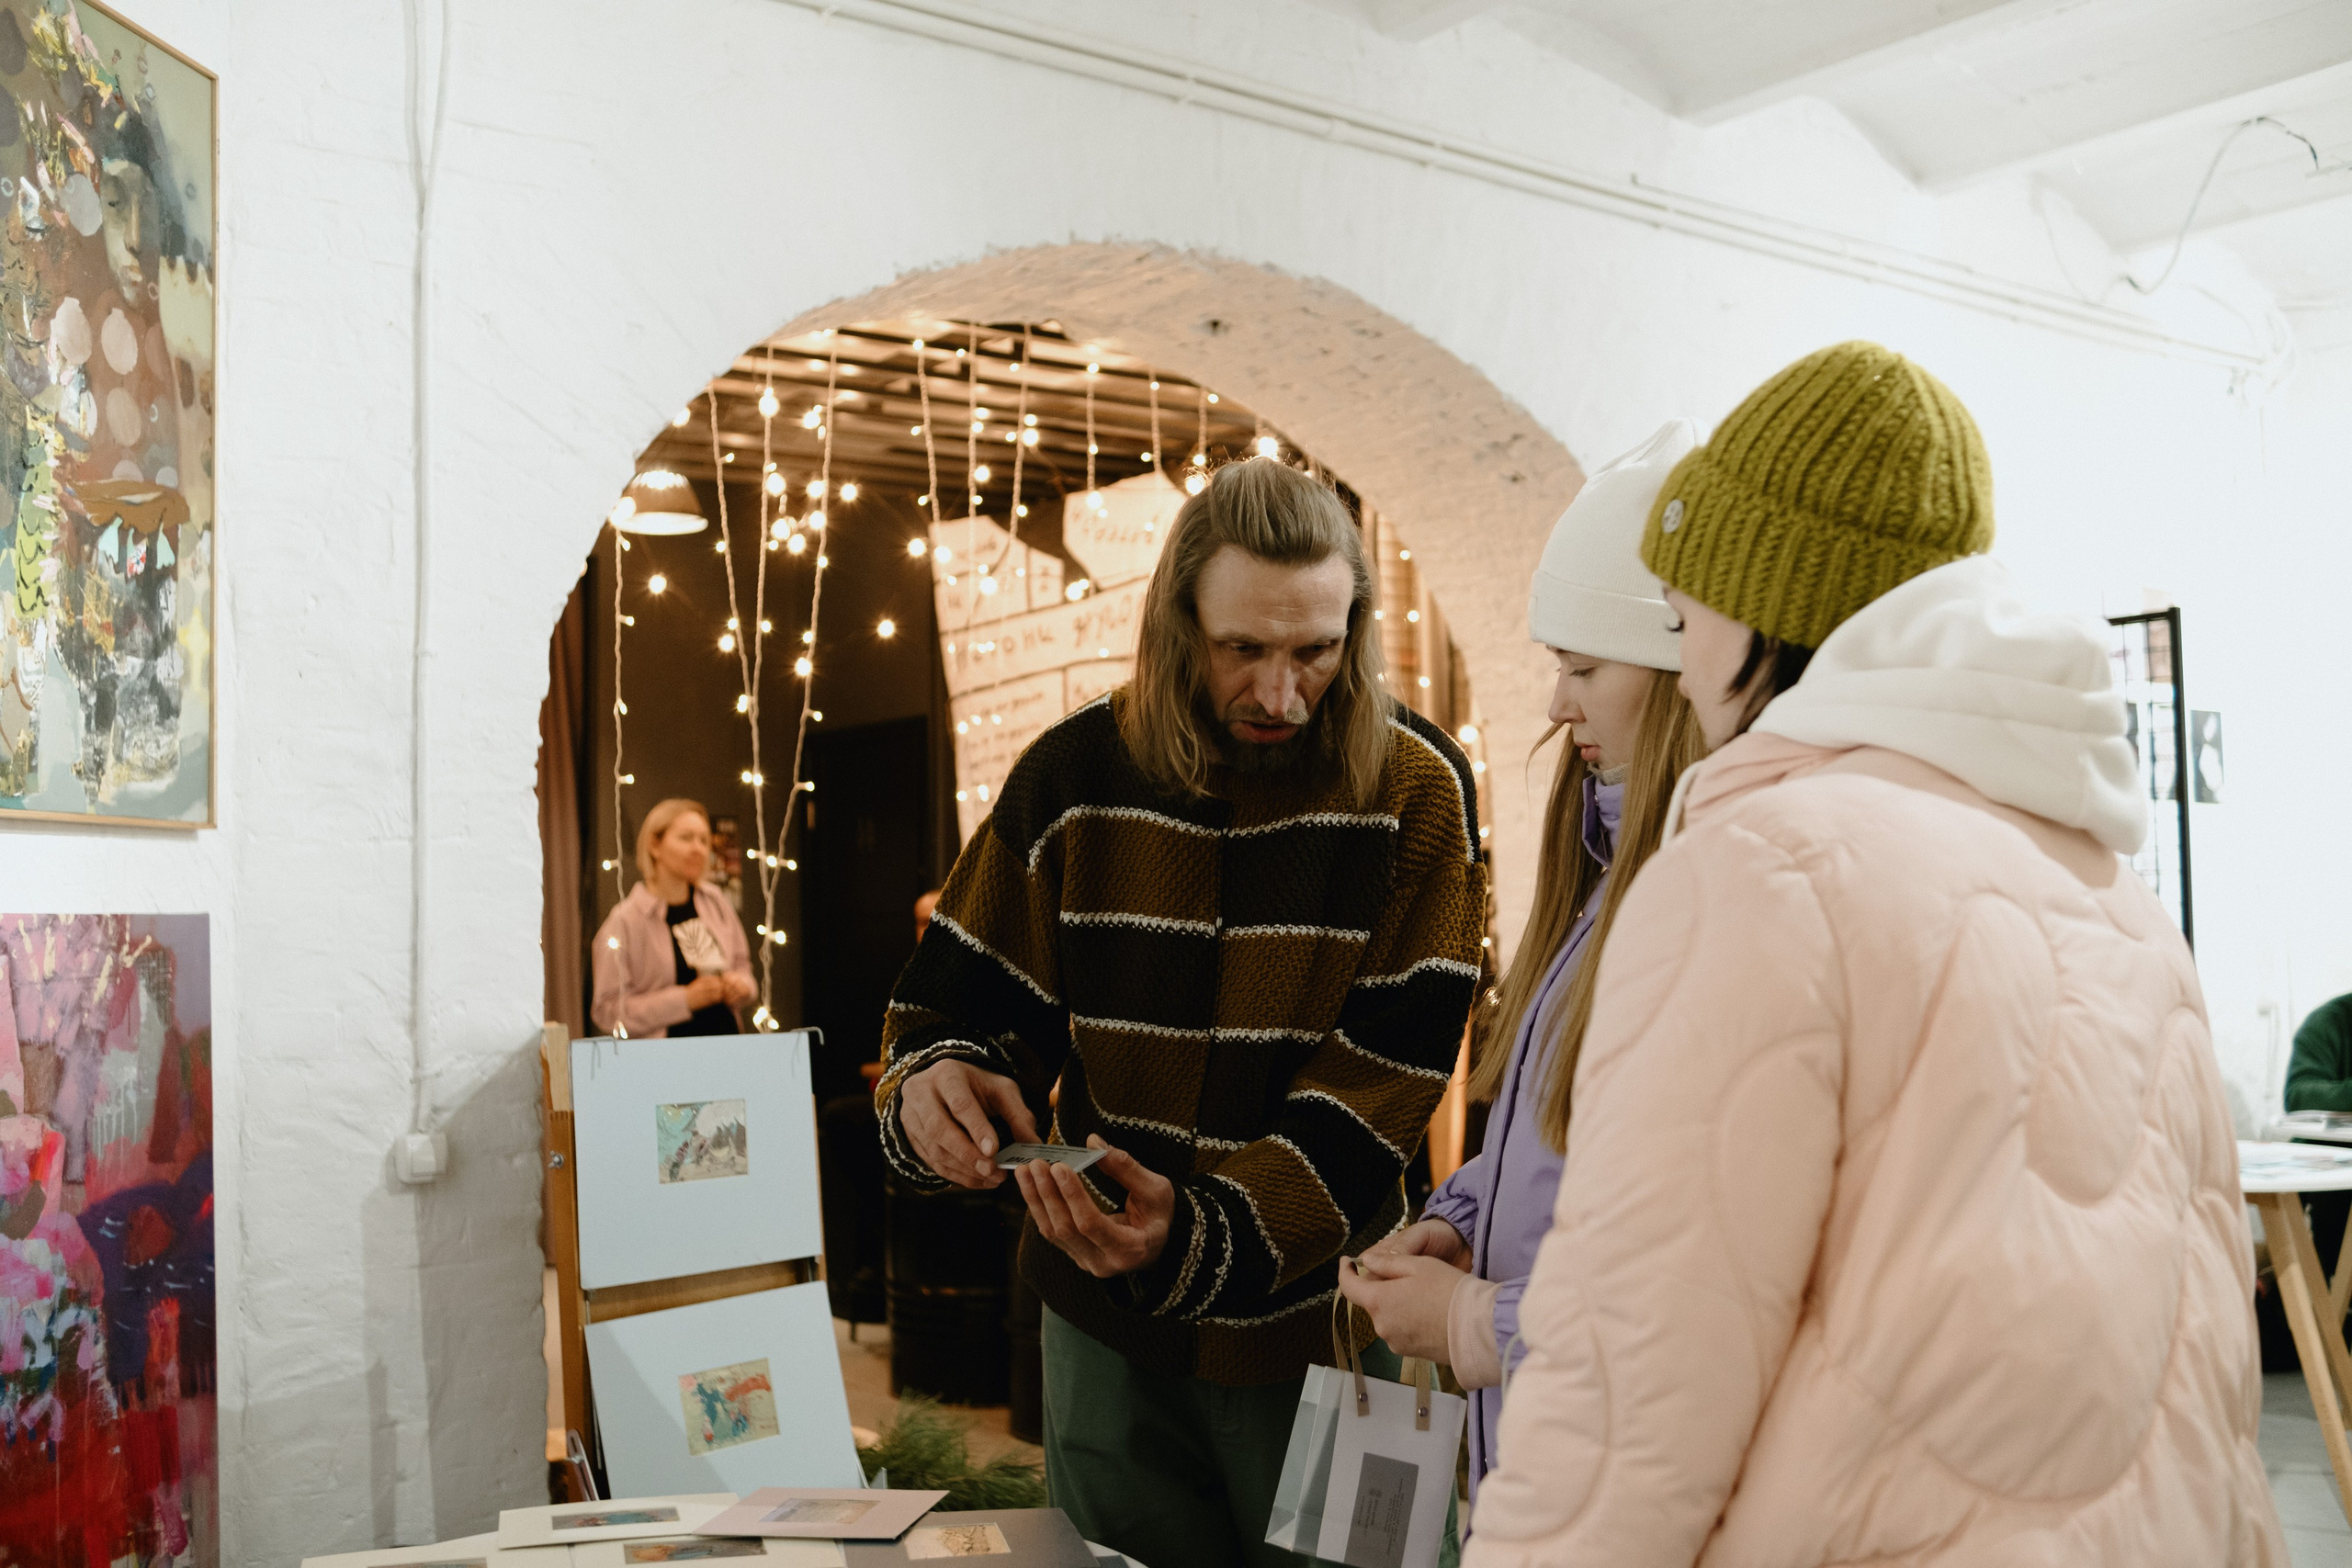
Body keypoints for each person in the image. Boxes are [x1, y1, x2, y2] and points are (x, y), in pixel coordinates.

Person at [1467, 342, 2283, 1565]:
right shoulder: (2122, 902)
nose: (1685, 658)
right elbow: (2215, 1382)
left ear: (1763, 610)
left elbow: (1629, 1399)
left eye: (1687, 613)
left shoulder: (1758, 873)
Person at [874, 457, 1487, 1568]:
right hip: (1106, 1335)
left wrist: (1206, 1230)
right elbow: (957, 1000)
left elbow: (1386, 1076)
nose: (1280, 693)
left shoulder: (1415, 791)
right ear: (1174, 622)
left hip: (1337, 1325)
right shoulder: (1070, 776)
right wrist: (933, 1079)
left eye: (1314, 650)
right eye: (1241, 648)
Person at [1336, 421, 1704, 1506]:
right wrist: (1460, 1213)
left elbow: (1684, 1286)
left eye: (1584, 668)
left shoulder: (1700, 906)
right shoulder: (1601, 871)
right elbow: (1557, 1144)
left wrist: (1469, 1322)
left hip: (1620, 1473)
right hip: (1548, 1452)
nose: (1556, 702)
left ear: (1684, 672)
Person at [590, 797, 756, 1038]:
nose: (698, 848)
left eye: (704, 840)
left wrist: (741, 986)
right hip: (664, 1063)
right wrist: (685, 1000)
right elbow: (607, 1011)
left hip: (726, 1051)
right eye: (686, 838)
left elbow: (743, 968)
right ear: (655, 846)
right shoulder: (626, 920)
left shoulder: (715, 901)